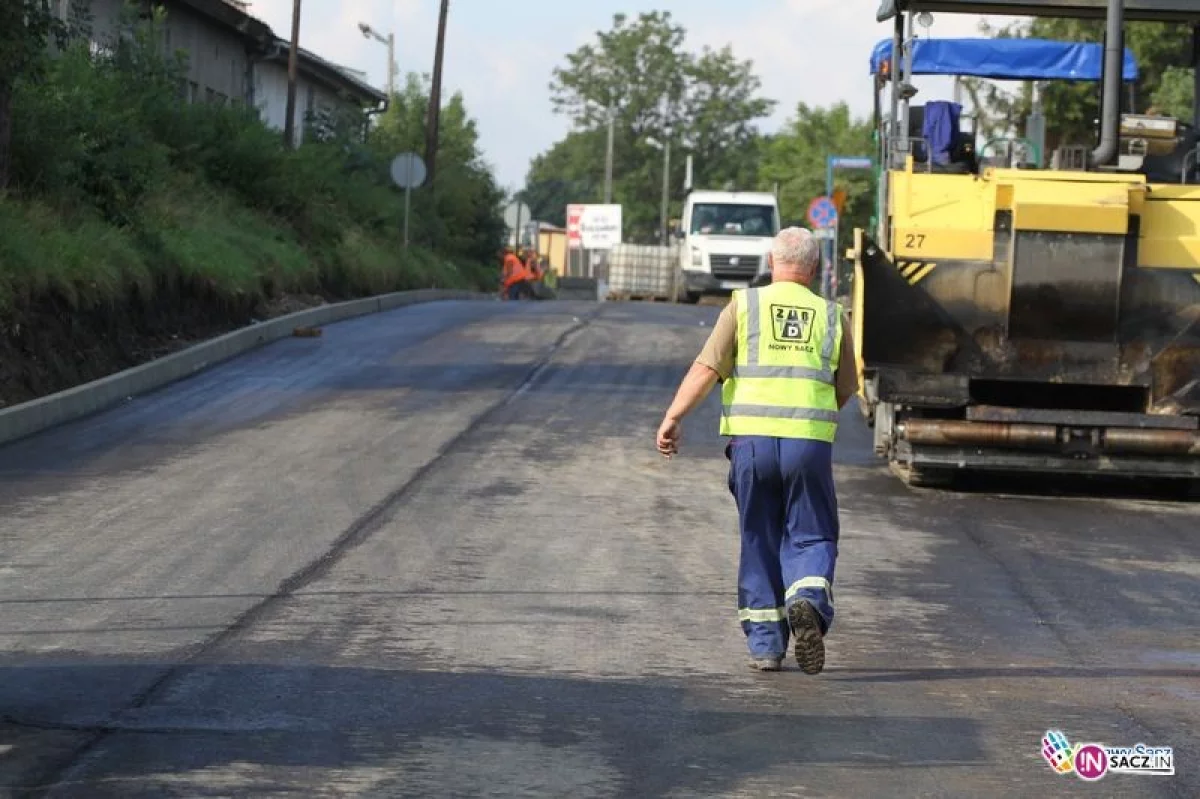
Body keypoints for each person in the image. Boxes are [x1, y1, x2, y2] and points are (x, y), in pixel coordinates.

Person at [655, 226, 859, 674]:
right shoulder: (831, 315)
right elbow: (845, 388)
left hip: (750, 444)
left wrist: (673, 417)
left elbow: (706, 367)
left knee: (758, 537)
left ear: (772, 262)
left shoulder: (743, 305)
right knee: (812, 533)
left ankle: (767, 645)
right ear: (816, 267)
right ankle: (806, 599)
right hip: (807, 444)